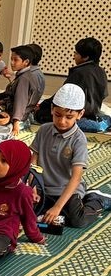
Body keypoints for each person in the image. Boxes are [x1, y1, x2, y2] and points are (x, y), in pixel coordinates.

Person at [31, 83, 111, 227]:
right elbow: (33, 164)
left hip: (68, 190)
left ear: (80, 114)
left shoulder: (79, 139)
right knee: (24, 211)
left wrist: (57, 207)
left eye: (69, 117)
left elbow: (76, 178)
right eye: (58, 115)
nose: (62, 121)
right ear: (52, 109)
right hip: (44, 189)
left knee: (77, 220)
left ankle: (97, 199)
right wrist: (32, 188)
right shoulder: (43, 130)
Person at [0, 44, 45, 136]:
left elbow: (20, 101)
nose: (12, 63)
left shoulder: (24, 78)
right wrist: (2, 102)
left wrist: (15, 123)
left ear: (26, 61)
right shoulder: (30, 74)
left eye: (15, 60)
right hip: (25, 115)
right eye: (11, 59)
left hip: (18, 117)